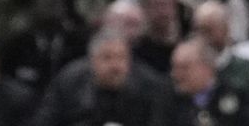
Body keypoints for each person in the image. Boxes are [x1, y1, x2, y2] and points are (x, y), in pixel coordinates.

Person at [33, 29, 172, 126]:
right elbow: (45, 120)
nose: (116, 66)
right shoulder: (70, 80)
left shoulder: (149, 85)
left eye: (122, 58)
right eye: (107, 58)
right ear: (92, 61)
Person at [168, 38, 249, 126]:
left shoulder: (240, 98)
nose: (176, 74)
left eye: (184, 68)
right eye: (174, 67)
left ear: (207, 67)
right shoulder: (170, 102)